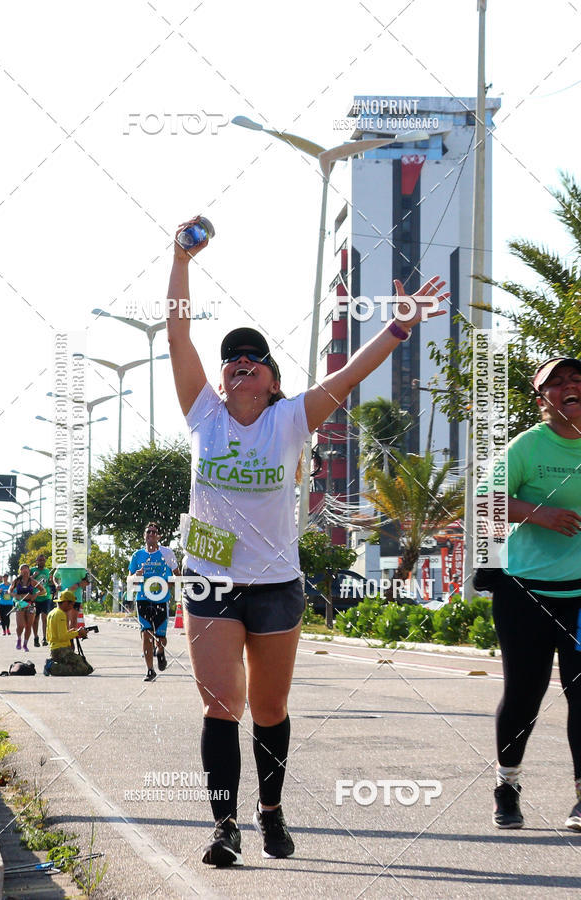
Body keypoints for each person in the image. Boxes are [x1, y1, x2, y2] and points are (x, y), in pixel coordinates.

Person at [166, 217, 447, 866]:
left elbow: (348, 374)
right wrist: (180, 258)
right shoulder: (203, 414)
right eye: (230, 359)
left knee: (268, 708)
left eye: (251, 359)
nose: (238, 364)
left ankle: (270, 810)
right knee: (220, 705)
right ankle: (224, 826)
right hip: (210, 580)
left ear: (269, 378)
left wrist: (399, 324)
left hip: (274, 586)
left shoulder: (291, 420)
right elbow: (178, 333)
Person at [489, 357, 581, 832]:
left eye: (575, 379)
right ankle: (507, 784)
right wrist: (538, 513)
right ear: (542, 398)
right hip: (525, 593)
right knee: (524, 694)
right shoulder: (528, 446)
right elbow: (486, 500)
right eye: (556, 383)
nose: (568, 386)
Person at [129, 523, 180, 682]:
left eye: (154, 532)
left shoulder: (167, 553)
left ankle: (160, 650)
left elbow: (178, 575)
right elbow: (129, 579)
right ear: (144, 536)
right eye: (148, 532)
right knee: (146, 634)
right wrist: (135, 576)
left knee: (161, 637)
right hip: (143, 598)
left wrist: (167, 584)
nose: (151, 534)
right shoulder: (137, 555)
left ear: (159, 536)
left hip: (161, 599)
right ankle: (150, 670)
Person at [45, 590, 93, 676]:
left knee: (88, 667)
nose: (72, 607)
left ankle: (56, 665)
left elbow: (53, 634)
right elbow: (62, 637)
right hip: (61, 650)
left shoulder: (52, 613)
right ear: (66, 602)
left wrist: (71, 632)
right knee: (83, 669)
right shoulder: (60, 614)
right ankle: (52, 667)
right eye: (72, 604)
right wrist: (77, 633)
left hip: (55, 648)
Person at [10, 564, 40, 651]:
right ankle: (19, 639)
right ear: (20, 571)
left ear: (29, 571)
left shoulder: (32, 581)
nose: (25, 571)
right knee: (21, 625)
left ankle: (25, 644)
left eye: (26, 569)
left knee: (28, 626)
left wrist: (36, 594)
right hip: (20, 604)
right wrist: (14, 595)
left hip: (30, 604)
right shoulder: (17, 581)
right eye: (23, 569)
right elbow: (10, 590)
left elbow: (43, 590)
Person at [30, 554, 52, 647]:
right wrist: (33, 576)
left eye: (43, 560)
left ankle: (45, 638)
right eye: (40, 560)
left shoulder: (47, 571)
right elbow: (26, 581)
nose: (41, 562)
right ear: (36, 561)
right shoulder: (32, 570)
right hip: (35, 598)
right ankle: (36, 637)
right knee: (35, 619)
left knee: (45, 618)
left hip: (45, 597)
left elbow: (48, 582)